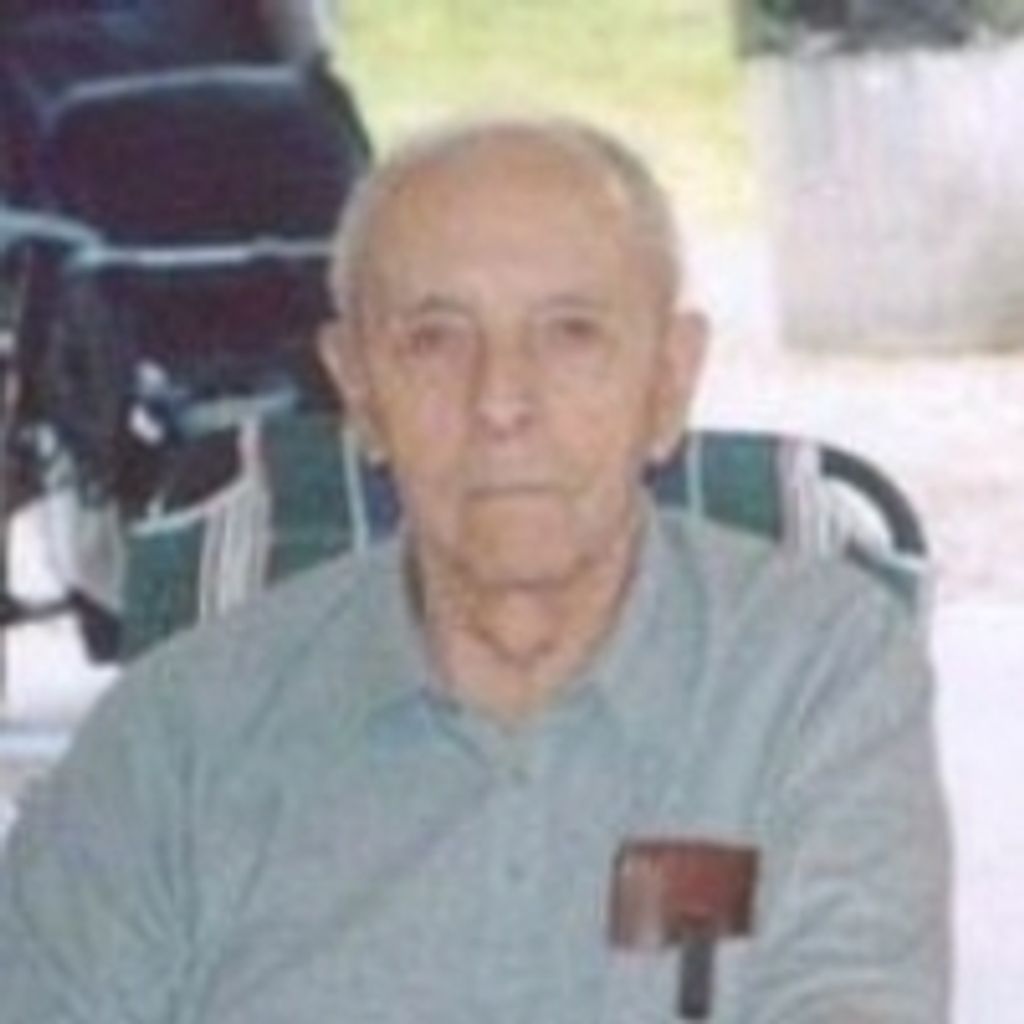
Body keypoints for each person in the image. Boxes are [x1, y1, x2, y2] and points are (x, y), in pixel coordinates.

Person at [0, 117, 950, 1022]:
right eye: (434, 338)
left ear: (669, 378)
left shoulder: (812, 674)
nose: (501, 400)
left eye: (571, 332)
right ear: (359, 390)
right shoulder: (179, 739)